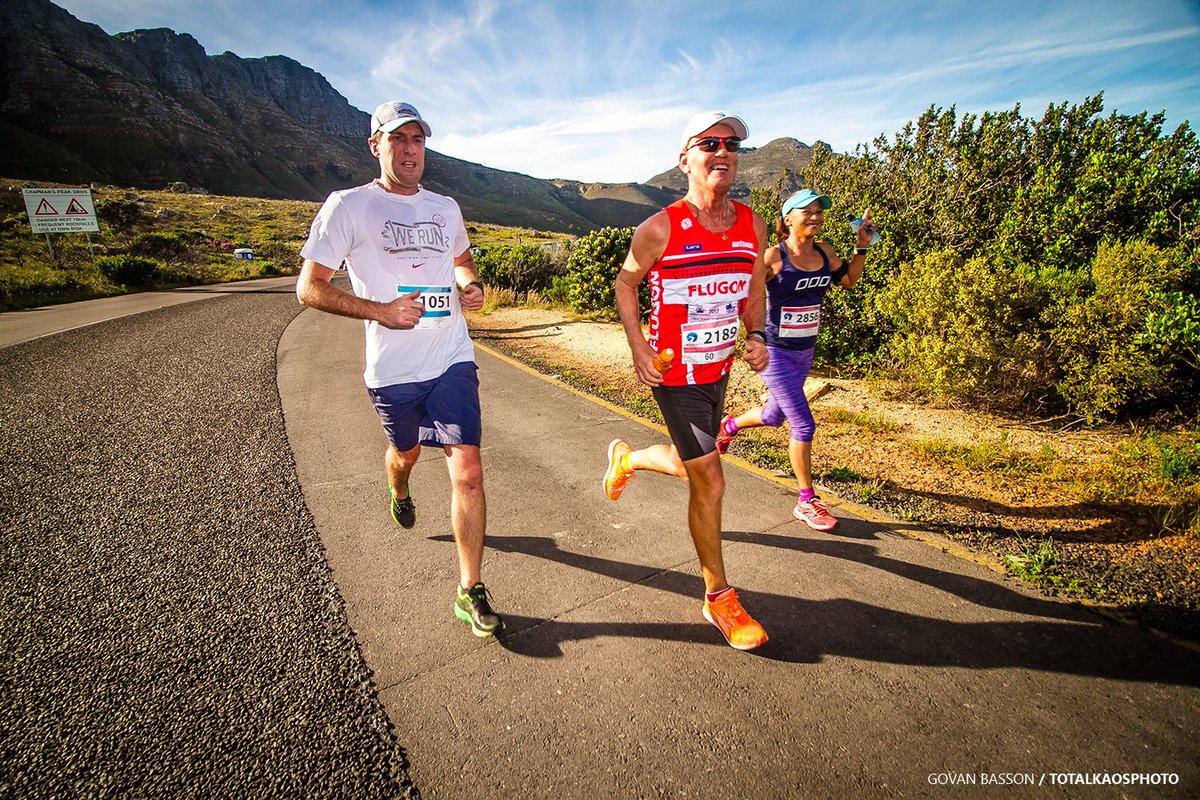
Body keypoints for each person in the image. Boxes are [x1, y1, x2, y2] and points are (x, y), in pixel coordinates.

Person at [296, 100, 503, 638]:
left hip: (451, 356)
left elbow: (461, 261)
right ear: (376, 145)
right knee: (405, 452)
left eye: (418, 139)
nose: (410, 150)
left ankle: (469, 589)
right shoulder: (348, 206)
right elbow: (309, 287)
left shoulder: (446, 206)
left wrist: (469, 286)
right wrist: (381, 312)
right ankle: (400, 486)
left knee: (469, 469)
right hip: (393, 370)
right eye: (399, 139)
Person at [604, 111, 772, 651]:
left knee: (689, 465)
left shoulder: (753, 224)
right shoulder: (661, 227)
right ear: (685, 160)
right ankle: (718, 597)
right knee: (711, 479)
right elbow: (625, 284)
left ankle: (627, 460)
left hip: (720, 367)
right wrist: (639, 346)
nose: (722, 152)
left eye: (731, 145)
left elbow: (753, 290)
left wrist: (756, 334)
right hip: (675, 374)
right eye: (708, 144)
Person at [715, 189, 873, 531]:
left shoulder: (825, 253)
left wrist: (861, 246)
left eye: (819, 211)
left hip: (805, 351)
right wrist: (748, 336)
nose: (815, 216)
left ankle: (728, 426)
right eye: (807, 211)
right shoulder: (774, 256)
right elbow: (748, 294)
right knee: (804, 424)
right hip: (775, 352)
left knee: (774, 416)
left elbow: (849, 280)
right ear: (788, 218)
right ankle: (806, 500)